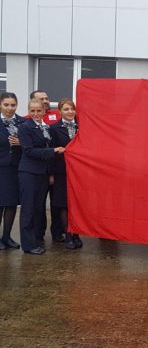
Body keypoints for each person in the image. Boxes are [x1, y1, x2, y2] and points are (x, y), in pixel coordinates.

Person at [17, 99, 65, 255]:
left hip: (43, 174)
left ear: (45, 111)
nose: (36, 114)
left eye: (39, 111)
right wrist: (53, 151)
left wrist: (50, 173)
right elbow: (29, 151)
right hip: (29, 173)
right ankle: (28, 245)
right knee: (28, 209)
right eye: (32, 111)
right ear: (29, 111)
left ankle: (36, 239)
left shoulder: (47, 128)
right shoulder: (25, 127)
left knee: (39, 209)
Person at [29, 90, 63, 242]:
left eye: (47, 98)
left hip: (57, 168)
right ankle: (39, 233)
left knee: (57, 203)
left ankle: (57, 232)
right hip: (39, 170)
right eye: (41, 99)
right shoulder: (27, 120)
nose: (46, 101)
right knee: (39, 204)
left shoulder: (58, 114)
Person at [50, 99, 82, 250]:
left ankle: (76, 233)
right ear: (60, 112)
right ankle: (68, 234)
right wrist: (51, 174)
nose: (70, 112)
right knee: (63, 204)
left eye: (72, 109)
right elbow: (51, 153)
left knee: (76, 204)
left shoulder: (81, 127)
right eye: (66, 109)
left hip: (78, 173)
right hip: (61, 171)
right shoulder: (54, 128)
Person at [0, 92, 26, 250]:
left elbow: (32, 142)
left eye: (13, 105)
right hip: (0, 168)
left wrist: (21, 142)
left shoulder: (23, 122)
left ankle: (7, 236)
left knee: (11, 204)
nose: (10, 108)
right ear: (0, 105)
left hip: (16, 168)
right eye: (6, 105)